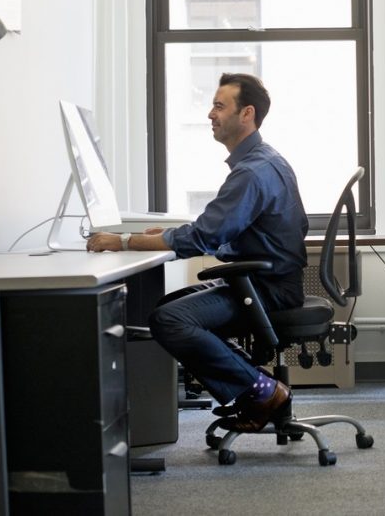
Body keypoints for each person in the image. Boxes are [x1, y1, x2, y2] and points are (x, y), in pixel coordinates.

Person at [87, 73, 309, 432]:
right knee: (166, 307)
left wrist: (123, 241)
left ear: (247, 113)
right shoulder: (264, 161)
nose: (210, 114)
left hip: (268, 289)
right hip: (264, 280)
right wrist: (167, 236)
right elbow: (222, 230)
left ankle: (263, 392)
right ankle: (257, 385)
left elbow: (203, 237)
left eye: (219, 106)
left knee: (170, 320)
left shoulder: (253, 172)